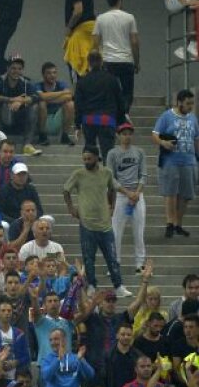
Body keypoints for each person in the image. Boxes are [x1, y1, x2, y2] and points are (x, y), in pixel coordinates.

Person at [152, 88, 199, 239]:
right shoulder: (167, 116)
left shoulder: (193, 118)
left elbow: (196, 138)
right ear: (179, 102)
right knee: (170, 193)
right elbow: (155, 134)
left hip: (189, 160)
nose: (190, 106)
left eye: (192, 103)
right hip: (170, 160)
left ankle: (178, 223)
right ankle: (170, 223)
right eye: (188, 103)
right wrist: (163, 143)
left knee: (186, 194)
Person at [107, 123, 147, 275]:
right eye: (124, 133)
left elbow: (143, 175)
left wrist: (136, 193)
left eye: (129, 133)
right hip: (121, 196)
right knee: (116, 232)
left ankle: (140, 264)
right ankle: (115, 263)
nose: (127, 136)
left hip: (137, 196)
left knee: (139, 231)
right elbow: (111, 178)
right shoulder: (112, 153)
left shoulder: (139, 152)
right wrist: (126, 193)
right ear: (118, 135)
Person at [93, 0, 140, 113]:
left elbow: (95, 44)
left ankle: (110, 118)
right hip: (126, 60)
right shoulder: (130, 17)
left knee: (108, 92)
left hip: (108, 61)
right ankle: (124, 117)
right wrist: (137, 62)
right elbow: (134, 42)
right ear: (120, 0)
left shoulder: (100, 18)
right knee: (127, 93)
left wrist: (96, 65)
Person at [74, 50, 126, 160]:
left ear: (88, 62)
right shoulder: (112, 80)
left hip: (88, 120)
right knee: (108, 154)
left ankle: (90, 172)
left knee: (90, 152)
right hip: (107, 120)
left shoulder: (82, 82)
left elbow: (78, 105)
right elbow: (120, 102)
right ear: (102, 62)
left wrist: (77, 125)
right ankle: (107, 174)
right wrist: (121, 122)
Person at [57, 0, 96, 82]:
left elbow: (78, 10)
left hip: (80, 33)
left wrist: (69, 27)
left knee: (77, 67)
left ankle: (79, 97)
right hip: (89, 33)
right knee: (89, 67)